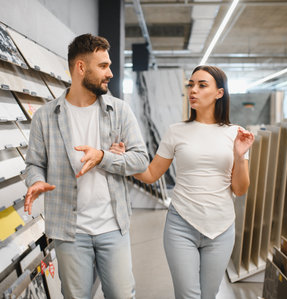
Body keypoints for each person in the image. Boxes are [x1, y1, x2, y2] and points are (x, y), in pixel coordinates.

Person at [23, 33, 148, 299]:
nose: (110, 73)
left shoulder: (120, 111)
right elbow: (34, 163)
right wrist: (35, 180)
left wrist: (104, 157)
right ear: (81, 68)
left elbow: (140, 159)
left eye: (109, 65)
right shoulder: (45, 117)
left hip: (113, 226)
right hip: (70, 231)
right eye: (103, 66)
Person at [119, 65, 254, 299]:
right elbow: (151, 174)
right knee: (187, 296)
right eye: (191, 84)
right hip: (181, 225)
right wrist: (124, 160)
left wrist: (240, 156)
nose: (193, 90)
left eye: (202, 85)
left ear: (219, 93)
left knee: (208, 295)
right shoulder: (176, 131)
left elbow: (240, 189)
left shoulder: (237, 134)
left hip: (221, 229)